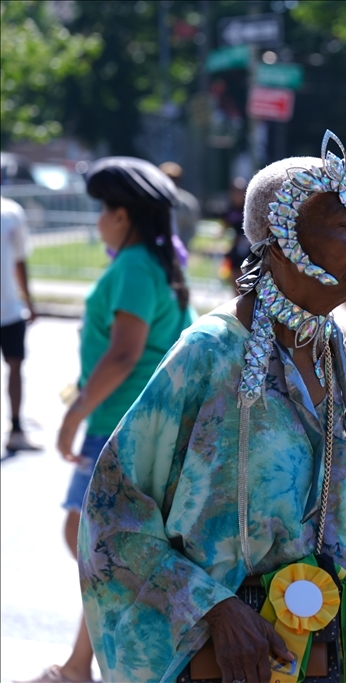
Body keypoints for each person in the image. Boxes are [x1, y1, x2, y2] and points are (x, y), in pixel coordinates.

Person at [77, 132, 346, 683]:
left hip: (328, 658)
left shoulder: (336, 350)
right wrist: (216, 609)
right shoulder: (212, 351)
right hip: (225, 661)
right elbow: (115, 513)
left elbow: (334, 516)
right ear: (280, 238)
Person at [19, 158, 196, 683]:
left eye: (101, 210)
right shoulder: (155, 263)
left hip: (120, 422)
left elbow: (124, 354)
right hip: (132, 420)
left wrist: (73, 416)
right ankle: (81, 663)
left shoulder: (135, 267)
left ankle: (84, 663)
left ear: (122, 215)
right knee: (102, 544)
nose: (97, 221)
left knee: (93, 539)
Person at [0, 195, 39, 452]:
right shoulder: (10, 211)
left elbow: (19, 259)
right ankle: (16, 429)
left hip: (9, 308)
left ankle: (16, 429)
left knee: (16, 367)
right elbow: (20, 261)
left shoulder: (11, 211)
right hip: (9, 306)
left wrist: (28, 300)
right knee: (15, 367)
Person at [159, 161, 201, 250]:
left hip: (179, 249)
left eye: (174, 178)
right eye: (167, 178)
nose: (170, 182)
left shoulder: (187, 203)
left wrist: (180, 246)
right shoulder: (153, 201)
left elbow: (191, 229)